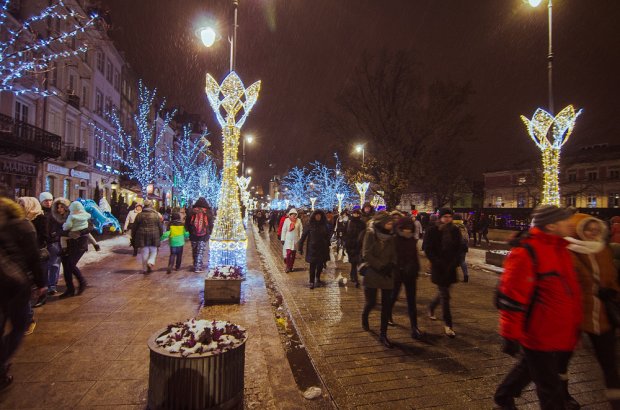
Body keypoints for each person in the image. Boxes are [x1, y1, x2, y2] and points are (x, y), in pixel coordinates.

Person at [494, 205, 582, 410]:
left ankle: (504, 394)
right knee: (550, 389)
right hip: (538, 332)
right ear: (551, 225)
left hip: (559, 330)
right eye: (565, 220)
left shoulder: (561, 248)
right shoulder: (527, 252)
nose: (570, 223)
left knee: (528, 368)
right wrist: (509, 334)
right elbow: (512, 296)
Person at [565, 213, 620, 409]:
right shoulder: (569, 251)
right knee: (563, 358)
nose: (592, 232)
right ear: (579, 230)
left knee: (609, 363)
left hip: (603, 316)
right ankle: (563, 396)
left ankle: (616, 400)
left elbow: (612, 278)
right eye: (588, 229)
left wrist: (613, 292)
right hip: (577, 315)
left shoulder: (603, 250)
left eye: (595, 229)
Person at [0, 198, 47, 391]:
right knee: (20, 324)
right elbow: (33, 257)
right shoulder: (23, 226)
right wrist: (41, 282)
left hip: (9, 280)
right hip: (15, 281)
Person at [424, 208, 462, 338]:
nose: (447, 219)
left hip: (450, 267)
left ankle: (431, 307)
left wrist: (456, 262)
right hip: (438, 266)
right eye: (444, 216)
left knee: (444, 292)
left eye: (449, 216)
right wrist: (436, 261)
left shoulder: (455, 230)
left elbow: (459, 248)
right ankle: (448, 325)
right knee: (445, 296)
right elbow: (428, 249)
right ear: (440, 217)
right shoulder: (433, 230)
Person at [360, 212, 396, 348]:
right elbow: (366, 254)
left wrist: (391, 265)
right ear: (381, 223)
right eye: (388, 223)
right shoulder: (370, 234)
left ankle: (383, 334)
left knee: (387, 306)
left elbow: (394, 254)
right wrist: (380, 266)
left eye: (391, 224)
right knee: (372, 302)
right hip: (373, 273)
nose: (390, 225)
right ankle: (365, 316)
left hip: (387, 274)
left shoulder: (392, 237)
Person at [389, 216, 423, 340]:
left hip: (410, 275)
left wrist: (415, 269)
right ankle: (388, 315)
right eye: (405, 228)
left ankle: (414, 327)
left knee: (411, 301)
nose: (407, 231)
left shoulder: (411, 241)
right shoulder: (394, 240)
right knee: (393, 296)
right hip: (397, 275)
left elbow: (415, 257)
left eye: (410, 229)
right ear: (399, 228)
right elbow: (392, 258)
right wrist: (398, 268)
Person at [17, 197, 48, 311]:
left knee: (37, 275)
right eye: (19, 204)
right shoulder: (20, 218)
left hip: (35, 250)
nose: (20, 206)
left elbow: (44, 235)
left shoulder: (40, 217)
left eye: (22, 204)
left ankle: (40, 297)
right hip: (22, 253)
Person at [298, 210, 331, 289]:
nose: (318, 217)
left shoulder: (324, 225)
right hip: (312, 249)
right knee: (312, 265)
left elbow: (327, 237)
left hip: (322, 248)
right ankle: (311, 281)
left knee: (320, 265)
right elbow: (303, 237)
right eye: (316, 215)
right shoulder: (309, 225)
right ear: (314, 216)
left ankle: (318, 278)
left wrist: (327, 246)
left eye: (319, 215)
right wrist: (300, 247)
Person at [132, 199, 163, 274]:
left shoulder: (139, 215)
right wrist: (160, 234)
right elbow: (160, 226)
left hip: (142, 236)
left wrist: (133, 236)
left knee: (144, 252)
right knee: (154, 251)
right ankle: (150, 261)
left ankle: (145, 269)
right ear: (151, 206)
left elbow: (134, 227)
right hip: (154, 235)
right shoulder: (156, 215)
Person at [39, 192, 61, 297]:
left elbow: (61, 225)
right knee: (44, 265)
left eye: (50, 200)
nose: (48, 202)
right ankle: (45, 284)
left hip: (54, 241)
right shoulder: (39, 213)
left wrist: (55, 234)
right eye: (45, 201)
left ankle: (52, 285)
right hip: (43, 243)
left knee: (54, 264)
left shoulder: (55, 212)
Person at [185, 197, 213, 273]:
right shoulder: (207, 212)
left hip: (193, 234)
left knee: (194, 250)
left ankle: (195, 264)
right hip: (204, 234)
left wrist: (188, 230)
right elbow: (211, 223)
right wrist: (210, 232)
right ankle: (198, 267)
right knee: (200, 250)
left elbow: (187, 222)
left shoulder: (192, 211)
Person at [345, 208, 366, 287]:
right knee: (353, 263)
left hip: (359, 245)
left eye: (357, 213)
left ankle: (356, 279)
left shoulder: (362, 223)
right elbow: (345, 233)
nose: (356, 215)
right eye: (354, 213)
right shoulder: (349, 222)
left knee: (357, 262)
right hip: (351, 245)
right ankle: (353, 276)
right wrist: (346, 244)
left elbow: (364, 233)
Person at [280, 208, 303, 273]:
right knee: (288, 253)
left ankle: (291, 267)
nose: (293, 215)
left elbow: (301, 230)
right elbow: (284, 230)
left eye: (295, 214)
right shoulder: (287, 220)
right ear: (290, 214)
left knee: (293, 254)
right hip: (288, 239)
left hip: (295, 240)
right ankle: (287, 266)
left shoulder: (298, 220)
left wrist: (300, 238)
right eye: (292, 214)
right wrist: (282, 239)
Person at [452, 213, 470, 283]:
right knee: (462, 261)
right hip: (464, 246)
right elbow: (467, 237)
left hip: (456, 246)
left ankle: (453, 276)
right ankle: (466, 276)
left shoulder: (453, 226)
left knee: (452, 260)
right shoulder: (463, 226)